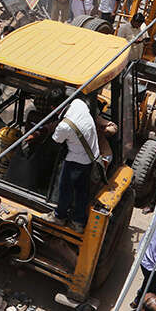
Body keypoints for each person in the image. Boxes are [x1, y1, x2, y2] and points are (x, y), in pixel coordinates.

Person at [47, 91, 99, 233]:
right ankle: (78, 222)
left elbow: (55, 141)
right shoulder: (79, 103)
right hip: (91, 157)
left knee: (65, 189)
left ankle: (59, 216)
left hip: (76, 161)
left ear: (53, 108)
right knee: (82, 191)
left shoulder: (64, 126)